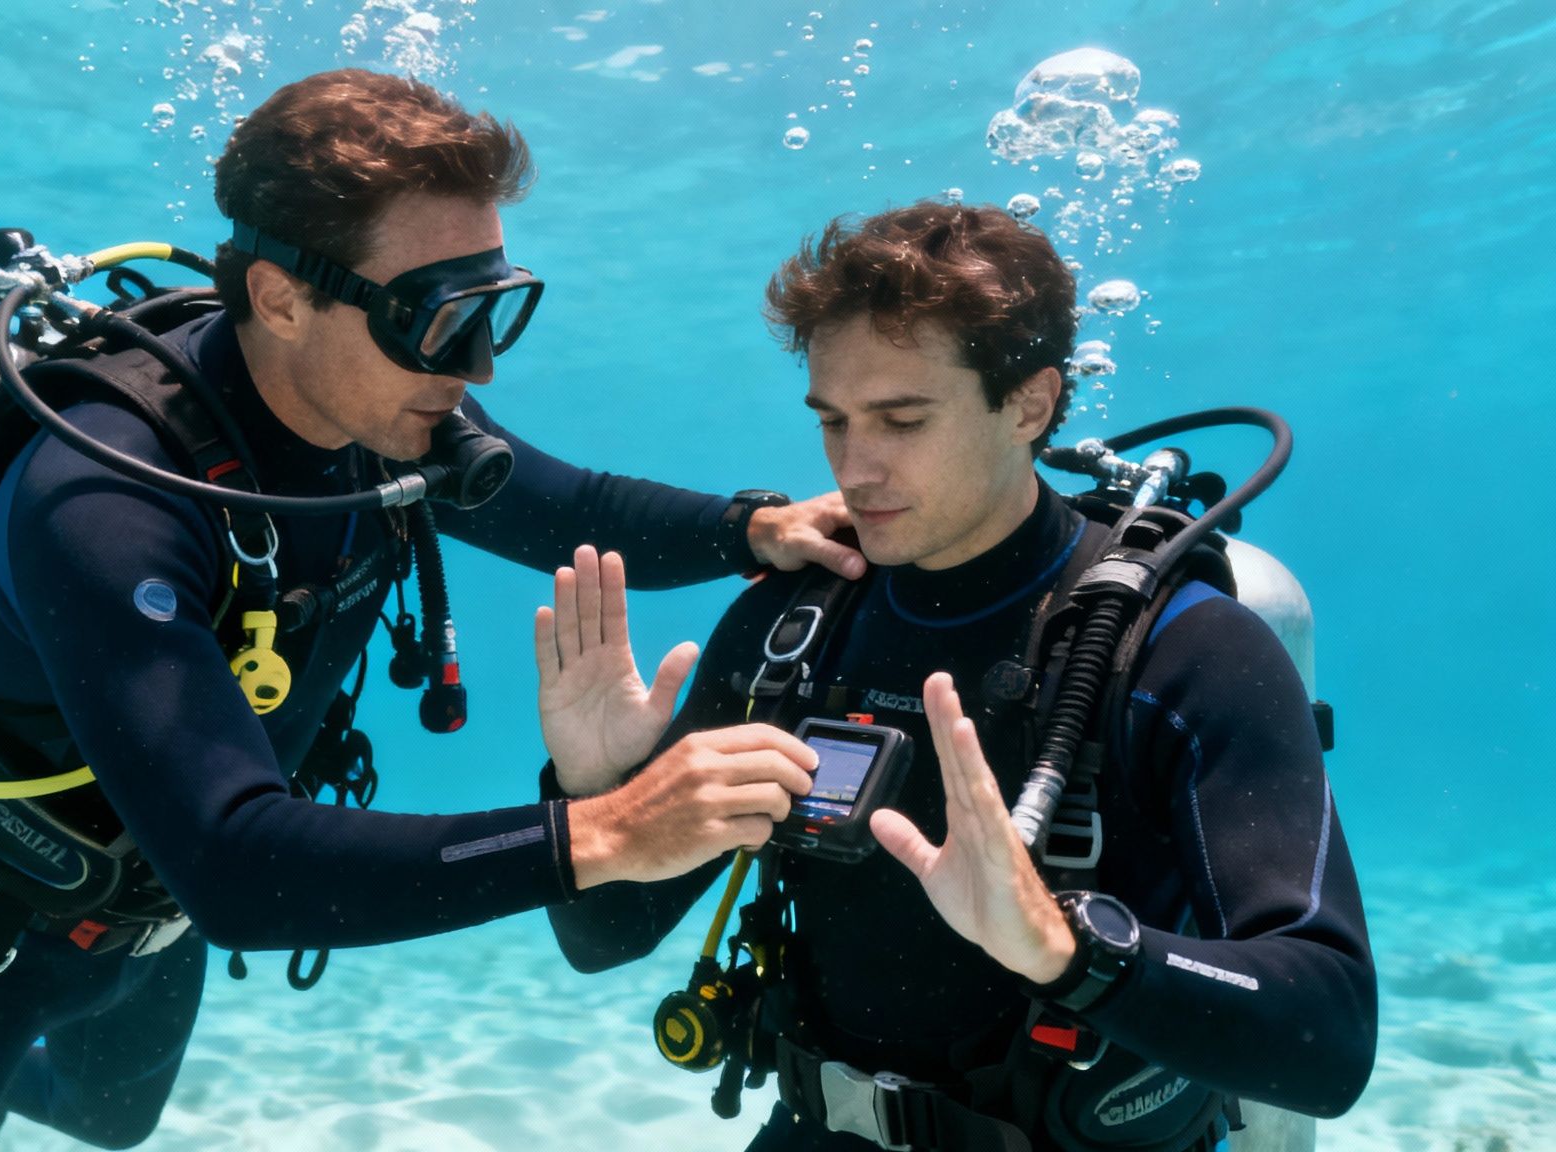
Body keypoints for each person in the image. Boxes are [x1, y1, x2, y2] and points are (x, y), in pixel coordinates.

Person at [0, 69, 860, 1152]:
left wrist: (754, 524)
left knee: (112, 1120)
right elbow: (241, 862)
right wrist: (598, 833)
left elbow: (549, 499)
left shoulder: (385, 412)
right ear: (281, 298)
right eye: (435, 320)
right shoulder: (105, 497)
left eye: (494, 313)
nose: (470, 371)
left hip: (151, 923)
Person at [536, 202, 1377, 1151]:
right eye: (833, 421)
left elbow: (1332, 1040)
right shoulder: (791, 630)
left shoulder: (1188, 649)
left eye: (902, 419)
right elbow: (604, 940)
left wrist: (1068, 951)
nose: (854, 469)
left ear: (1027, 403)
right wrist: (594, 793)